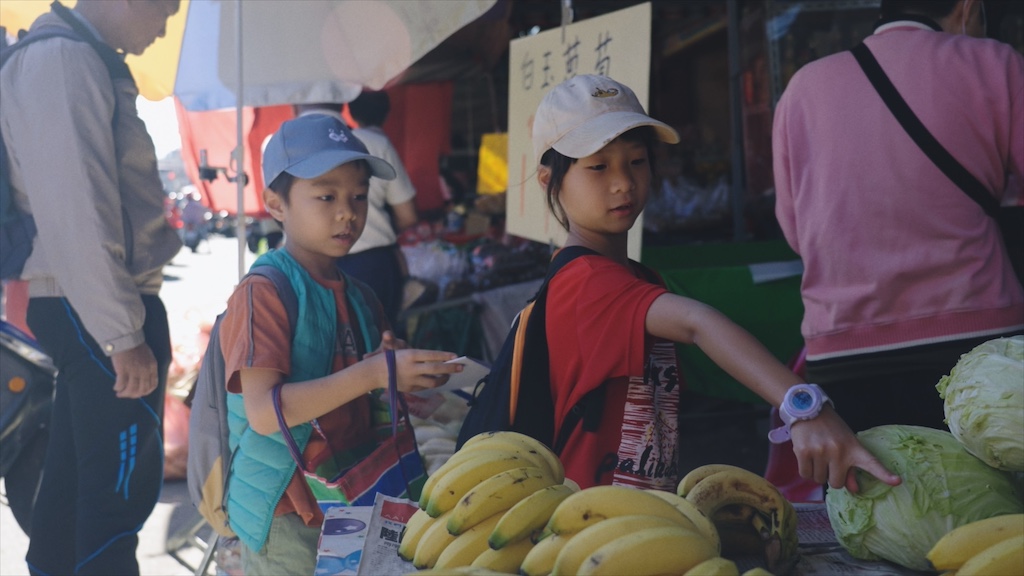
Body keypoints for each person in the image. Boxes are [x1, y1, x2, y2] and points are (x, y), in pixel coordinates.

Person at [531, 74, 900, 493]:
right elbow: (697, 322)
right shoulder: (584, 282)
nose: (623, 183)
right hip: (591, 525)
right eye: (598, 167)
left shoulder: (634, 277)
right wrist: (804, 407)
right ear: (549, 181)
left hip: (635, 517)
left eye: (636, 161)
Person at [221, 113, 462, 574]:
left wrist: (394, 373)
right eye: (326, 196)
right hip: (288, 514)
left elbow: (363, 386)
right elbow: (264, 412)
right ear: (275, 204)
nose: (347, 212)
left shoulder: (362, 296)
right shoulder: (265, 292)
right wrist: (373, 372)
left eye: (358, 196)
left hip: (353, 495)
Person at [772, 0, 1024, 433]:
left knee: (873, 499)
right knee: (996, 498)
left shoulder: (803, 87)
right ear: (967, 7)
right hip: (980, 343)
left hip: (842, 349)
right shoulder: (996, 62)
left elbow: (797, 232)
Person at [0, 1, 182, 574]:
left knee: (72, 494)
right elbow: (77, 208)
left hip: (90, 305)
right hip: (97, 307)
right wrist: (122, 332)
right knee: (114, 504)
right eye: (165, 10)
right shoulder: (62, 57)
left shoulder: (69, 55)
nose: (163, 27)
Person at [342, 91, 419, 330]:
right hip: (376, 263)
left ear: (351, 111)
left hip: (336, 262)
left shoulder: (340, 143)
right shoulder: (380, 144)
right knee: (386, 343)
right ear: (387, 113)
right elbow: (408, 216)